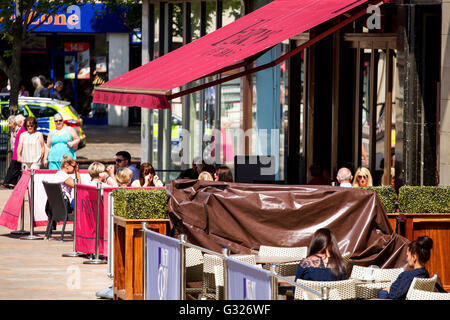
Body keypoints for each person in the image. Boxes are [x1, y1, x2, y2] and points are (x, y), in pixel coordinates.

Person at [2, 116, 22, 188]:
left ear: (14, 123)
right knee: (15, 168)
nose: (9, 125)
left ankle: (7, 182)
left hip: (18, 152)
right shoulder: (12, 130)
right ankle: (11, 183)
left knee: (14, 167)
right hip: (14, 151)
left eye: (10, 123)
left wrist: (16, 136)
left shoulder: (19, 130)